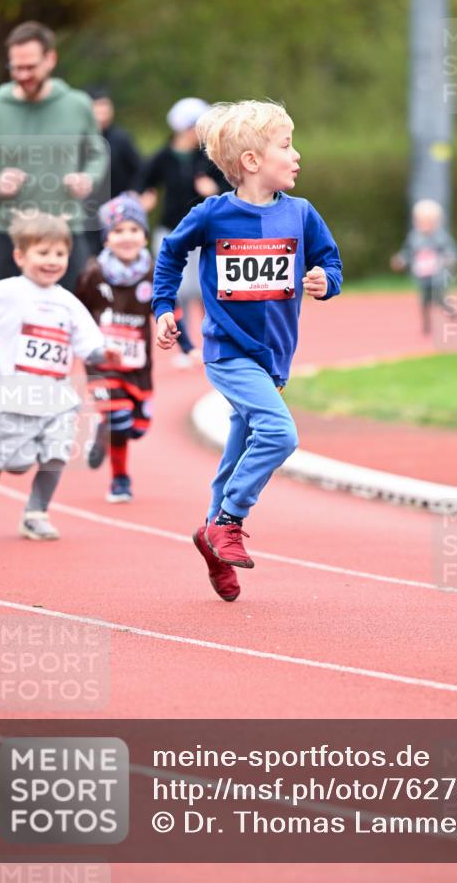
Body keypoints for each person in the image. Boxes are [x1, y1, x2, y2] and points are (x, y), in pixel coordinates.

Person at [153, 100, 342, 602]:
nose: (297, 155)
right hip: (228, 352)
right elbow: (171, 254)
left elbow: (330, 260)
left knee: (238, 450)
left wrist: (326, 280)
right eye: (286, 145)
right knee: (279, 433)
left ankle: (211, 535)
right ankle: (230, 520)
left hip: (275, 357)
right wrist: (163, 308)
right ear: (253, 161)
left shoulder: (301, 214)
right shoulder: (213, 214)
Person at [0, 212, 109, 540]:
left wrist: (107, 356)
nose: (52, 261)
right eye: (43, 253)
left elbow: (91, 346)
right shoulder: (7, 293)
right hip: (13, 397)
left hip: (57, 398)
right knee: (16, 464)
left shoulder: (69, 303)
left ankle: (36, 512)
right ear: (20, 256)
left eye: (59, 254)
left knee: (57, 454)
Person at [0, 21, 106, 291]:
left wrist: (88, 178)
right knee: (5, 321)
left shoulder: (78, 105)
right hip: (9, 232)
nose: (23, 74)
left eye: (30, 67)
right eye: (16, 67)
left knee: (69, 316)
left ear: (50, 59)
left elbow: (97, 154)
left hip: (65, 230)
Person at [75, 193, 154, 504]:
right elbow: (76, 311)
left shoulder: (152, 272)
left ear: (144, 236)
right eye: (118, 231)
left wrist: (183, 339)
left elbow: (165, 307)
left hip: (138, 364)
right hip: (101, 361)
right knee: (120, 419)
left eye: (133, 230)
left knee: (137, 428)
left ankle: (105, 429)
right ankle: (120, 479)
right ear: (107, 239)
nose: (126, 237)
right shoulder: (94, 273)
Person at [139, 97, 230, 364]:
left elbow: (231, 189)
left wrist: (214, 191)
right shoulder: (163, 157)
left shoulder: (209, 157)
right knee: (178, 291)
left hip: (205, 234)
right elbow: (142, 182)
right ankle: (185, 346)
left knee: (207, 289)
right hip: (171, 231)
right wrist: (146, 196)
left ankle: (216, 342)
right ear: (183, 128)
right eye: (196, 128)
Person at [83, 87, 144, 256]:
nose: (102, 111)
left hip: (118, 210)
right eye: (97, 107)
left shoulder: (121, 138)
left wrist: (136, 192)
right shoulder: (80, 138)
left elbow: (140, 170)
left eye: (105, 106)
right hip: (87, 211)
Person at [390, 198, 457, 334]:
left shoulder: (441, 237)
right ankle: (426, 325)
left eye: (428, 221)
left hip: (438, 277)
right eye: (421, 221)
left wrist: (449, 258)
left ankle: (450, 310)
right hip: (422, 277)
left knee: (439, 298)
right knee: (424, 301)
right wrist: (400, 260)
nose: (424, 224)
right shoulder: (414, 237)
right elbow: (408, 252)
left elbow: (450, 250)